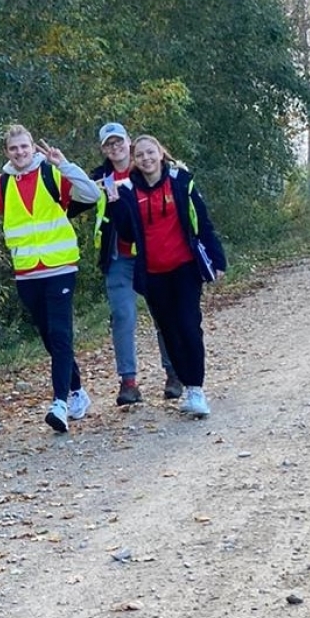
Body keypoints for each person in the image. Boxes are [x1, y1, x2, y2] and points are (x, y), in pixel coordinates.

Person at [0, 124, 100, 433]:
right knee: (50, 337)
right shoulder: (2, 183)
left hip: (61, 266)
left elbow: (91, 193)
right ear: (8, 152)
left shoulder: (52, 172)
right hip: (27, 272)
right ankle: (77, 390)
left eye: (24, 146)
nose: (20, 152)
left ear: (33, 147)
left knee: (61, 334)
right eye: (14, 148)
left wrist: (64, 164)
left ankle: (59, 403)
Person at [104, 135, 227, 417]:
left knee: (188, 325)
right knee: (169, 331)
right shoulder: (127, 190)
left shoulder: (181, 181)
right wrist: (114, 207)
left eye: (151, 153)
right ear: (134, 160)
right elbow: (125, 233)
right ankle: (186, 383)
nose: (146, 159)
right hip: (152, 273)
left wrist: (217, 258)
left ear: (160, 154)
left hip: (184, 267)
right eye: (140, 155)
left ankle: (196, 389)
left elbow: (203, 222)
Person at [90, 122, 183, 405]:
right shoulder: (99, 177)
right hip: (118, 256)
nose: (115, 148)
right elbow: (72, 201)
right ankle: (128, 383)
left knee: (163, 314)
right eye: (109, 144)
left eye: (119, 142)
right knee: (123, 317)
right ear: (103, 149)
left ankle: (174, 374)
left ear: (129, 143)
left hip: (151, 254)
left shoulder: (145, 166)